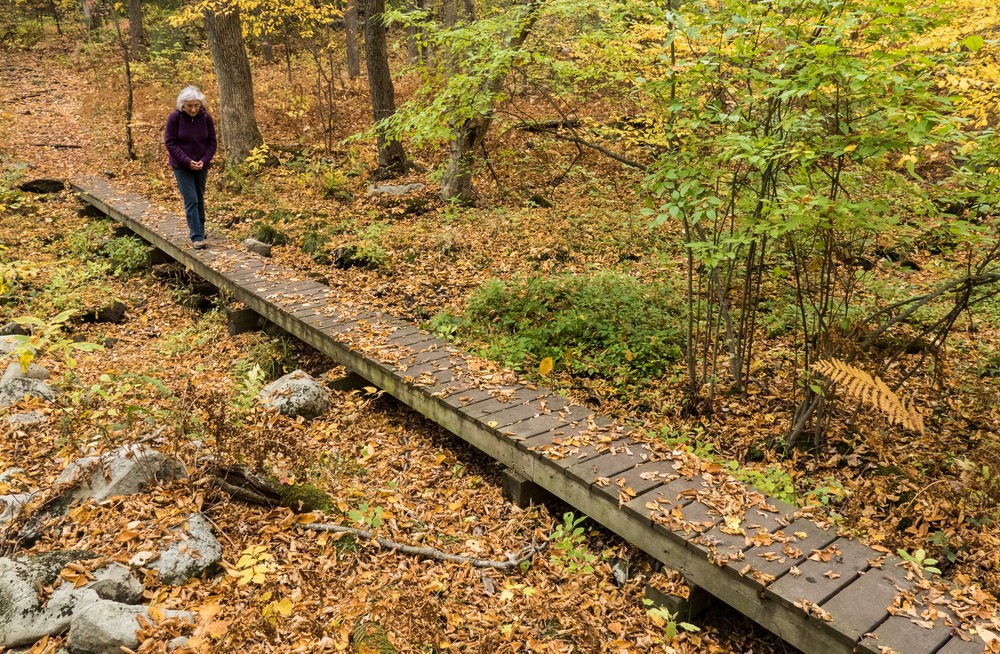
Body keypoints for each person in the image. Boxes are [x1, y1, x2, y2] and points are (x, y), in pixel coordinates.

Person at [164, 86, 217, 249]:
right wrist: (187, 161)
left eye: (196, 105)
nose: (193, 109)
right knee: (191, 199)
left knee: (199, 197)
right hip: (181, 166)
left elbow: (212, 142)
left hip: (202, 165)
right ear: (182, 105)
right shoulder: (175, 117)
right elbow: (170, 142)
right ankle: (197, 237)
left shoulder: (206, 117)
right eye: (189, 106)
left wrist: (204, 160)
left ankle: (199, 229)